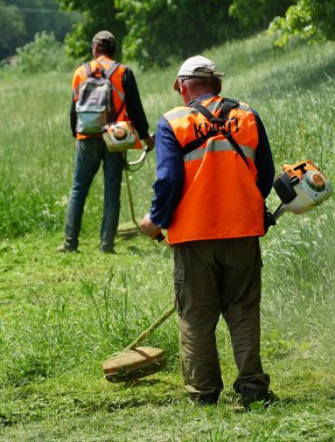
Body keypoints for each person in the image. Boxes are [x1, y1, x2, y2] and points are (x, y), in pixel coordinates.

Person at [139, 55, 275, 409]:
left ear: (182, 87)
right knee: (242, 310)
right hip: (242, 233)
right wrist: (245, 207)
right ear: (217, 84)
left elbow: (168, 180)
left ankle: (203, 394)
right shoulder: (248, 115)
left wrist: (156, 220)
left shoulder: (173, 122)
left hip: (194, 238)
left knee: (196, 316)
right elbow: (265, 173)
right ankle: (253, 390)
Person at [57, 31, 153, 254]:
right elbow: (136, 110)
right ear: (114, 50)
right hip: (115, 138)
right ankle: (106, 244)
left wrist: (76, 135)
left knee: (78, 189)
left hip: (86, 137)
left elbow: (74, 109)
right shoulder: (123, 72)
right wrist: (146, 138)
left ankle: (70, 244)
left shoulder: (81, 72)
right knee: (112, 191)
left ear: (94, 48)